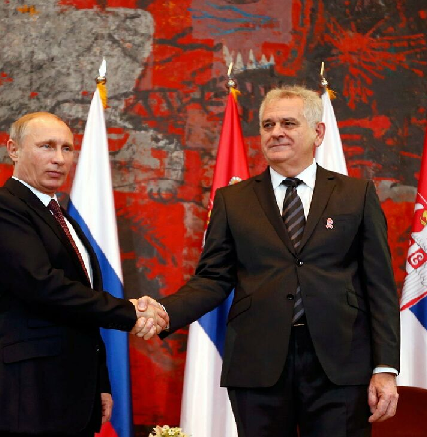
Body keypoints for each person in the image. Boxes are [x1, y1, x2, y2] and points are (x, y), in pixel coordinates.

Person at [156, 86, 400, 436]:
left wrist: (385, 367)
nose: (276, 132)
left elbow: (380, 287)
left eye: (288, 123)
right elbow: (212, 279)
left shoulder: (356, 195)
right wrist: (166, 312)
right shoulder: (232, 200)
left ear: (318, 133)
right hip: (258, 365)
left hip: (341, 364)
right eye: (268, 125)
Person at [0, 112, 167, 437]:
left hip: (71, 397)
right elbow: (43, 286)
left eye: (67, 148)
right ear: (13, 149)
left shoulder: (62, 218)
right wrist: (129, 312)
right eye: (46, 146)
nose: (59, 159)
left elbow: (81, 308)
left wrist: (99, 382)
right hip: (23, 397)